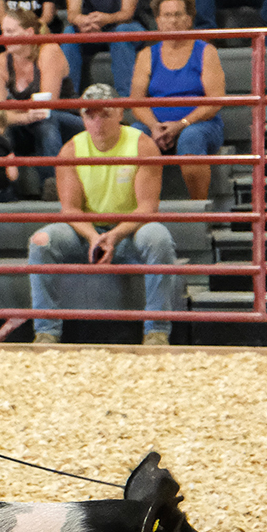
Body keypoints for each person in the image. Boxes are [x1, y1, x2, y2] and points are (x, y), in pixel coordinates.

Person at [28, 83, 177, 346]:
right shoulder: (71, 150)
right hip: (87, 230)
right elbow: (71, 210)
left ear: (119, 113)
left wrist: (115, 235)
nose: (97, 122)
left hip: (131, 230)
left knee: (159, 238)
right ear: (82, 118)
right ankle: (46, 332)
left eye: (105, 114)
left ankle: (157, 331)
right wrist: (94, 237)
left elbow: (147, 207)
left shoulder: (141, 145)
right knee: (41, 241)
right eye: (90, 115)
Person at [129, 0, 227, 204]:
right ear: (158, 20)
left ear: (189, 19)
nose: (172, 21)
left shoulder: (206, 51)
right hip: (157, 126)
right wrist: (155, 126)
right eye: (166, 15)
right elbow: (136, 102)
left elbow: (215, 101)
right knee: (135, 135)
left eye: (178, 14)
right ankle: (142, 207)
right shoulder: (147, 55)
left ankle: (198, 208)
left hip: (199, 124)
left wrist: (181, 124)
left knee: (191, 138)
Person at [0, 8, 82, 173]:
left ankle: (52, 180)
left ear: (29, 33)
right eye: (3, 32)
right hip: (27, 120)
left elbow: (47, 103)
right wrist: (23, 117)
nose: (4, 37)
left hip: (66, 118)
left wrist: (13, 110)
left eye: (10, 32)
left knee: (45, 120)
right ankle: (3, 183)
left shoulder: (48, 50)